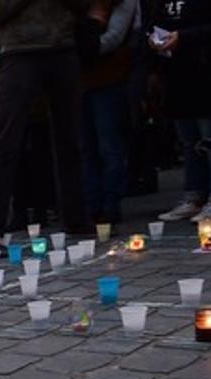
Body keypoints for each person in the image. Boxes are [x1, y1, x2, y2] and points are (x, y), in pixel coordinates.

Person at [0, 0, 90, 251]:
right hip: (19, 52)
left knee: (68, 140)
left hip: (62, 47)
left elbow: (84, 6)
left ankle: (76, 217)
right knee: (6, 143)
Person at [152, 0, 211, 222]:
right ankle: (193, 196)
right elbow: (156, 15)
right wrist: (154, 36)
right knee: (188, 136)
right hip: (180, 65)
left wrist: (186, 36)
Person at [79, 0, 138, 225]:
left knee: (109, 146)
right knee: (86, 148)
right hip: (82, 81)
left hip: (109, 79)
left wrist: (83, 47)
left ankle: (109, 205)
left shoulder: (122, 4)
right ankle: (92, 205)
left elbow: (112, 39)